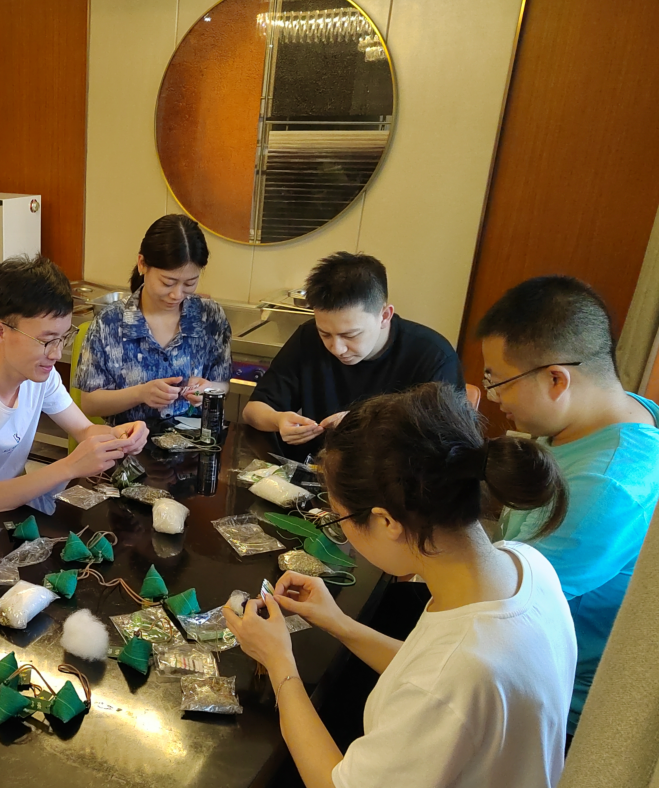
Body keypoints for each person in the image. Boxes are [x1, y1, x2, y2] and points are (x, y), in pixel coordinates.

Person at [226, 383, 575, 788]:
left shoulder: (460, 667)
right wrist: (340, 623)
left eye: (341, 520)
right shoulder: (521, 565)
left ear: (388, 521)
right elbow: (436, 679)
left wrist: (279, 663)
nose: (344, 535)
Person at [477, 276, 659, 737]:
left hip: (551, 701)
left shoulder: (606, 485)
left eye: (500, 382)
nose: (496, 398)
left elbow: (498, 603)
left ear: (556, 378)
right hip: (511, 635)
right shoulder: (612, 412)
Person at [0, 254, 149, 515]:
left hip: (10, 508)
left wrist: (118, 437)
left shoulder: (40, 375)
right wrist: (69, 466)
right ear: (1, 332)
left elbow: (84, 430)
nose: (56, 353)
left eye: (63, 338)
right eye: (46, 340)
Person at [242, 252, 463, 455]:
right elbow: (253, 411)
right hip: (318, 471)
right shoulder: (307, 338)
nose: (336, 348)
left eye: (350, 335)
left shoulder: (433, 356)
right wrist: (278, 420)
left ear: (385, 316)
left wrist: (366, 426)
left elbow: (448, 445)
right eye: (325, 334)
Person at [75, 214, 232, 425]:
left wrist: (208, 390)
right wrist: (139, 394)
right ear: (142, 264)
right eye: (168, 282)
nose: (177, 294)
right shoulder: (110, 323)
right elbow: (90, 403)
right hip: (130, 441)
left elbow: (222, 384)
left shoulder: (210, 317)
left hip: (196, 441)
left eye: (189, 283)